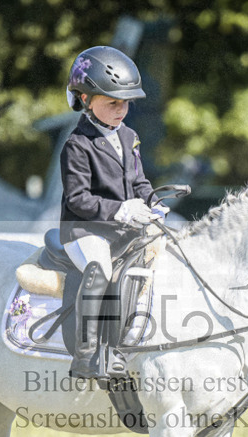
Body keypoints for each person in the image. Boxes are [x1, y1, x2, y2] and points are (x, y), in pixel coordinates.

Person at [60, 45, 165, 378]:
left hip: (123, 228)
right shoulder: (77, 144)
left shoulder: (129, 136)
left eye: (126, 103)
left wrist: (154, 203)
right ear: (86, 100)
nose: (122, 110)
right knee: (100, 269)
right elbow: (77, 199)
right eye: (113, 103)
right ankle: (86, 355)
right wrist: (121, 211)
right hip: (85, 230)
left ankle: (129, 345)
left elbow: (139, 182)